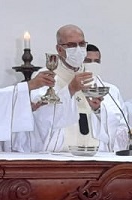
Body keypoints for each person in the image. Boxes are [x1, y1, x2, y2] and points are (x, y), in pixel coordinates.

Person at [19, 24, 101, 153]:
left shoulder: (94, 77)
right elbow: (40, 116)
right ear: (59, 49)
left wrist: (98, 109)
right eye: (72, 45)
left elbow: (113, 120)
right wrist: (70, 90)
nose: (78, 49)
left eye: (82, 44)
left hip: (93, 151)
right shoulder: (45, 77)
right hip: (59, 152)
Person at [81, 44, 129, 152]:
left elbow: (122, 124)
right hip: (80, 145)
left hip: (105, 149)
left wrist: (98, 111)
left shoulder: (112, 90)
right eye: (88, 61)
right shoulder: (72, 87)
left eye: (96, 61)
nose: (92, 65)